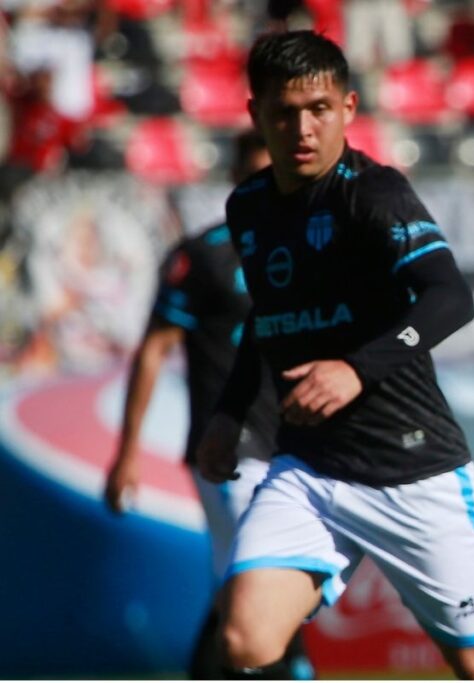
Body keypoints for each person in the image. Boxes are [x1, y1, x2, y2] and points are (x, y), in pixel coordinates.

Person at [196, 30, 474, 680]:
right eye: (284, 112)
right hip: (311, 469)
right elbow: (268, 320)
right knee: (243, 637)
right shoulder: (248, 208)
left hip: (412, 468)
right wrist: (229, 412)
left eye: (319, 108)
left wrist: (355, 369)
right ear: (254, 115)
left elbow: (450, 297)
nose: (303, 127)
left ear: (348, 108)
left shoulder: (374, 194)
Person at [104, 130, 315, 680]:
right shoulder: (203, 255)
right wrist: (127, 452)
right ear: (235, 179)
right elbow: (153, 350)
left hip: (295, 448)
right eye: (253, 173)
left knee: (243, 590)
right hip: (229, 450)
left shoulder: (312, 251)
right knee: (262, 584)